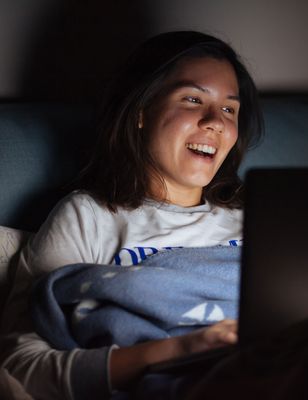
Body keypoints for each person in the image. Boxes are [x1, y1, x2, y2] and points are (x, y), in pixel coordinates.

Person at [0, 31, 263, 400]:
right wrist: (179, 350)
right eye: (193, 99)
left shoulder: (258, 218)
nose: (215, 122)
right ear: (141, 112)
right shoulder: (89, 215)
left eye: (229, 109)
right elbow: (20, 367)